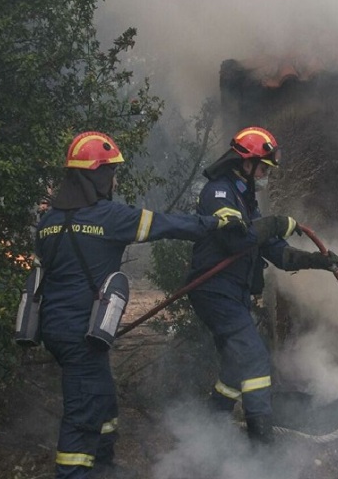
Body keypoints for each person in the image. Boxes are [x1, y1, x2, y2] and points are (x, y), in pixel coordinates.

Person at [36, 131, 246, 479]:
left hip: (55, 329)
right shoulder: (108, 217)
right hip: (80, 334)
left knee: (103, 401)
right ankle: (73, 473)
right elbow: (168, 225)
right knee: (83, 415)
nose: (114, 179)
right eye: (111, 172)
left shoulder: (48, 222)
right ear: (98, 174)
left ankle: (103, 469)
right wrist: (216, 223)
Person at [186, 126, 338, 444]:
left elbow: (278, 253)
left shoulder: (247, 201)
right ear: (246, 162)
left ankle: (210, 427)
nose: (264, 174)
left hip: (233, 294)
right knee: (255, 357)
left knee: (234, 364)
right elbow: (234, 237)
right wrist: (274, 223)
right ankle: (262, 445)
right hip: (214, 291)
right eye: (263, 167)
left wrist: (318, 261)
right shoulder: (218, 192)